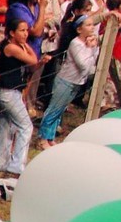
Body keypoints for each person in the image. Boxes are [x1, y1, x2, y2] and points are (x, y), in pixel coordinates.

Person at [0, 18, 47, 177]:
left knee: (7, 126)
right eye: (22, 30)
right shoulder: (11, 48)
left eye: (27, 30)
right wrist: (26, 45)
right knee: (25, 126)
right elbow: (32, 59)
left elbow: (33, 65)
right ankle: (16, 166)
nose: (26, 33)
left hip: (11, 92)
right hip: (7, 93)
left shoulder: (16, 47)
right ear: (12, 33)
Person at [38, 14, 100, 146]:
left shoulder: (89, 43)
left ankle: (50, 136)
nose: (92, 28)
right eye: (88, 25)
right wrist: (91, 49)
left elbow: (92, 64)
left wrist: (93, 47)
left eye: (92, 25)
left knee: (60, 111)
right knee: (54, 109)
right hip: (66, 80)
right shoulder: (76, 43)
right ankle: (43, 138)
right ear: (79, 29)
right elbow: (83, 66)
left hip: (76, 82)